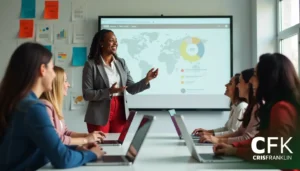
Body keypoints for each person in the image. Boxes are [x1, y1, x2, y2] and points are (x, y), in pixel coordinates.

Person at [0, 42, 104, 170]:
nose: (54, 75)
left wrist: (75, 147)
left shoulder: (20, 102)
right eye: (52, 68)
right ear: (42, 70)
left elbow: (46, 146)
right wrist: (92, 154)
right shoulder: (33, 108)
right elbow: (63, 160)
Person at [213, 53, 300, 170]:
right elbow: (260, 141)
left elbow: (276, 154)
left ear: (267, 78)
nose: (251, 81)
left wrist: (236, 151)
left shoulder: (281, 109)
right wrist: (232, 147)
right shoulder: (276, 106)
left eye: (255, 75)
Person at [82, 29, 158, 133]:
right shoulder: (91, 65)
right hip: (99, 113)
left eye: (116, 40)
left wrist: (147, 79)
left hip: (120, 111)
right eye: (111, 40)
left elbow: (131, 89)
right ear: (101, 43)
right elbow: (87, 94)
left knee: (118, 145)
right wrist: (109, 92)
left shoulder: (121, 63)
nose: (115, 43)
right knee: (101, 146)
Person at [40, 66, 106, 145]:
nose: (68, 84)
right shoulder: (44, 107)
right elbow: (55, 139)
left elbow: (65, 132)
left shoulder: (54, 106)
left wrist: (88, 135)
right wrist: (86, 140)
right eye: (65, 81)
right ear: (56, 85)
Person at [200, 68, 260, 144]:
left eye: (239, 82)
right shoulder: (248, 107)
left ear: (248, 84)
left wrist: (216, 139)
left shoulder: (246, 107)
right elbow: (238, 132)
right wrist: (211, 135)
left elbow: (244, 137)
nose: (238, 86)